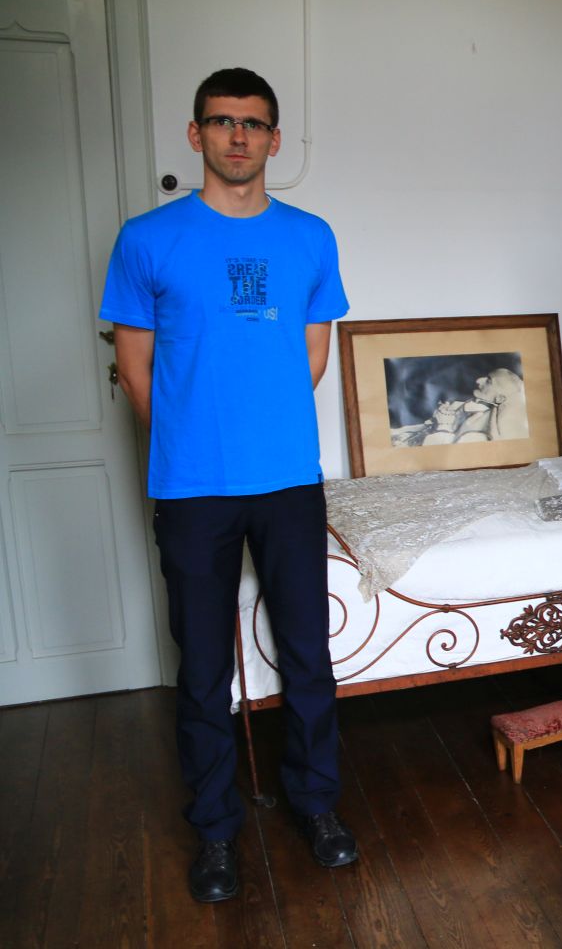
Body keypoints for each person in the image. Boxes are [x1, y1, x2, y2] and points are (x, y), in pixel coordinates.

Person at [99, 68, 357, 903]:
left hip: (287, 480)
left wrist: (260, 421)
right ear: (196, 134)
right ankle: (214, 828)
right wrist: (190, 435)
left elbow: (310, 356)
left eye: (253, 124)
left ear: (275, 139)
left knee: (308, 653)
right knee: (204, 665)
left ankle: (316, 804)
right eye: (221, 121)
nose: (237, 137)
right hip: (191, 487)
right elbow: (135, 367)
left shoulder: (310, 236)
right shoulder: (148, 239)